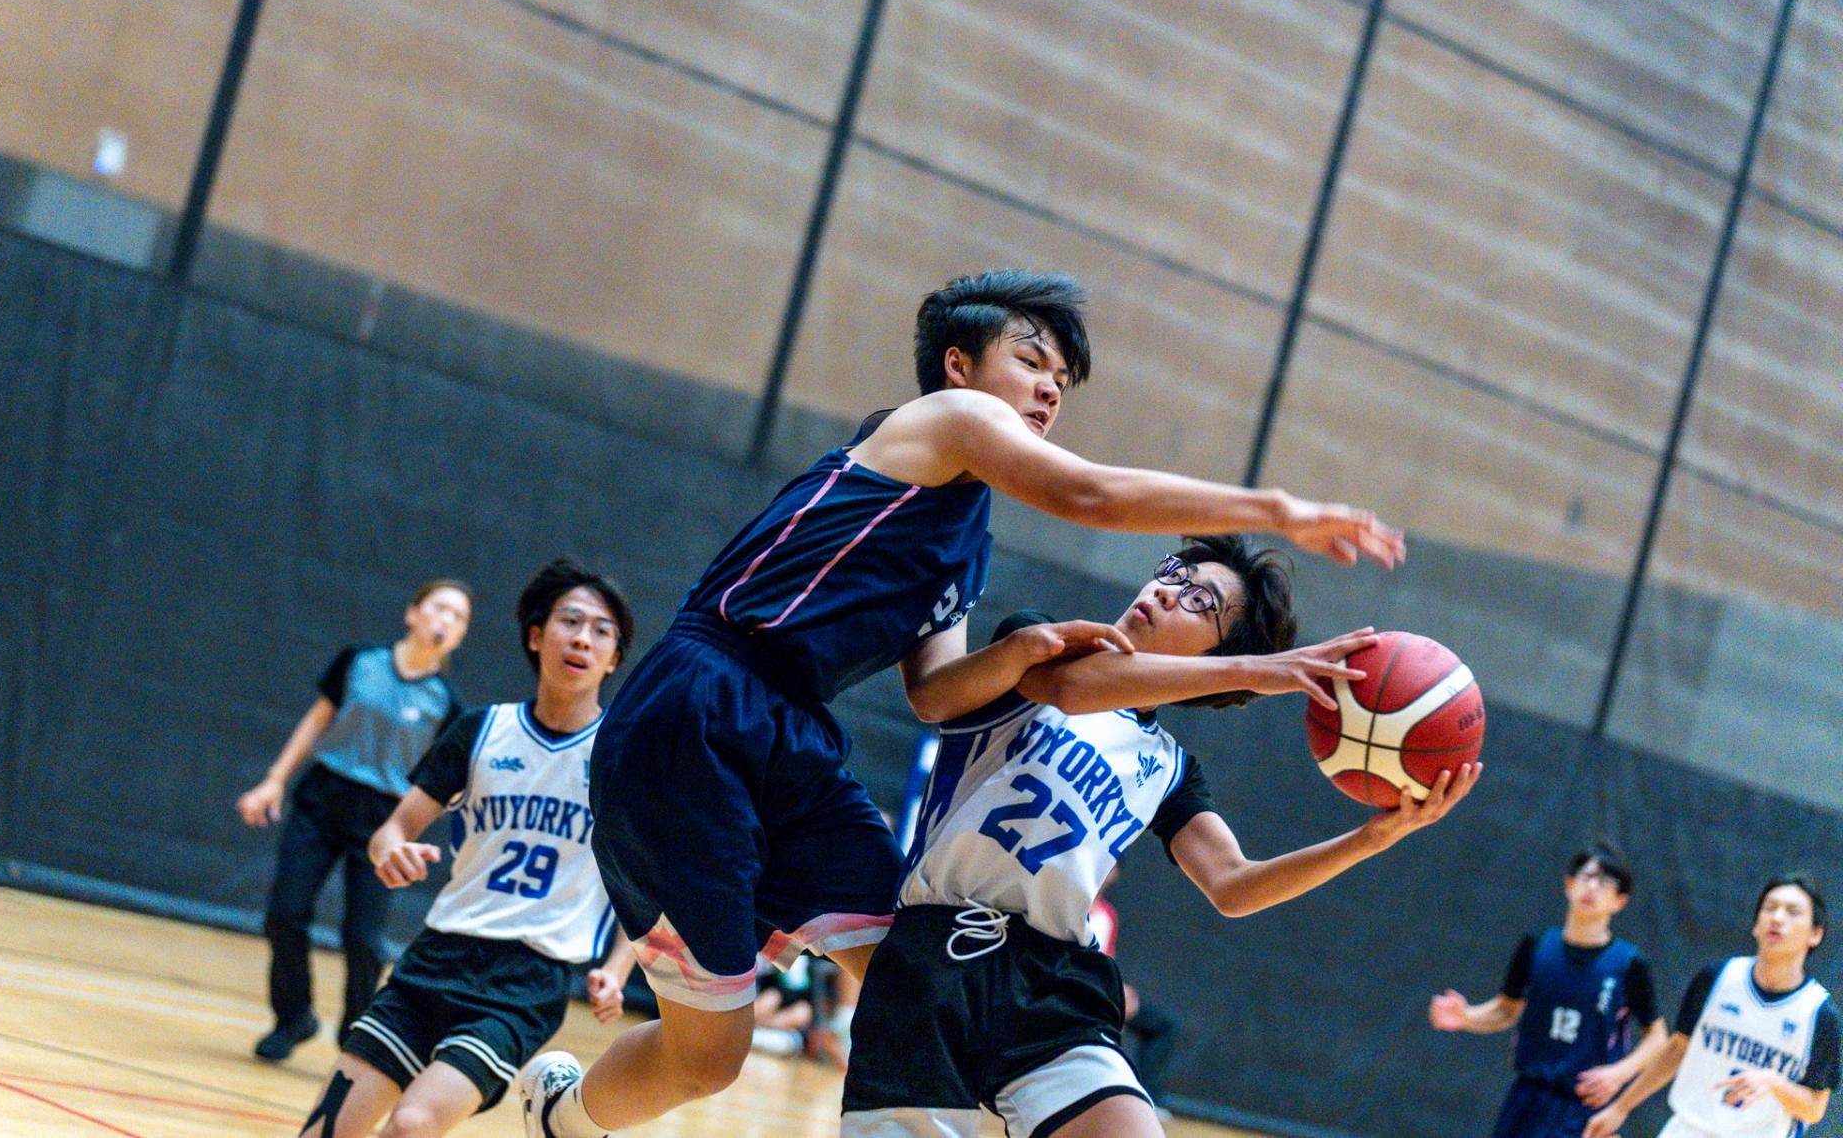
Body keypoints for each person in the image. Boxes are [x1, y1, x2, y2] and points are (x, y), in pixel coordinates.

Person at [520, 270, 1405, 1138]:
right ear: (958, 366)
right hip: (703, 700)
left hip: (795, 734)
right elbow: (1088, 494)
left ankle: (558, 1116)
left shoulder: (964, 545)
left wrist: (1009, 655)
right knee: (714, 1046)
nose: (1050, 388)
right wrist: (1279, 508)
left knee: (893, 970)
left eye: (1062, 380)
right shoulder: (941, 422)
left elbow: (935, 692)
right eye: (1032, 361)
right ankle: (570, 1115)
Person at [838, 536, 1478, 1138]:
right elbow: (1069, 688)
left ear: (1216, 658)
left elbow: (1234, 886)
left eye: (1201, 602)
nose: (1169, 590)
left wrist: (1372, 838)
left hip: (1052, 978)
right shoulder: (1042, 644)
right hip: (932, 957)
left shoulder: (1169, 768)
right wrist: (1254, 670)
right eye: (1174, 574)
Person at [294, 557, 639, 1138]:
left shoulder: (623, 761)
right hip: (435, 959)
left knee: (413, 1123)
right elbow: (393, 830)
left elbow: (658, 882)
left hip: (523, 983)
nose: (582, 637)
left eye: (601, 631)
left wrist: (617, 966)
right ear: (536, 635)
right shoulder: (482, 730)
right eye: (569, 620)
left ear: (613, 658)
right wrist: (390, 851)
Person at [240, 579, 473, 1060]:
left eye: (458, 617)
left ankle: (356, 1037)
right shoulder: (360, 662)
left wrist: (409, 834)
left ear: (460, 636)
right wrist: (274, 780)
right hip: (323, 797)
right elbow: (316, 719)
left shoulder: (446, 703)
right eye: (439, 608)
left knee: (363, 938)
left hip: (383, 818)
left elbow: (438, 783)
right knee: (284, 913)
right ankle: (294, 1017)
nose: (445, 620)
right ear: (412, 613)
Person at [1428, 843, 1667, 1138]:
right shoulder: (1537, 945)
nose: (1592, 887)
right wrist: (1466, 1016)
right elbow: (1506, 1009)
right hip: (1528, 1096)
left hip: (1585, 1103)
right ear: (1569, 884)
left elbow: (1658, 1037)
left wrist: (1620, 1073)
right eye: (1586, 876)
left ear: (1620, 901)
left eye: (1606, 882)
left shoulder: (1629, 963)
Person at [1583, 875, 1837, 1138]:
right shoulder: (1718, 978)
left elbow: (1814, 1108)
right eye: (1770, 908)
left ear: (1815, 934)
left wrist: (1775, 1083)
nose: (1777, 918)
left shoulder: (1819, 1013)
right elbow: (1677, 1050)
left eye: (1793, 912)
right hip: (1688, 1129)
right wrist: (1620, 1108)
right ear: (1756, 925)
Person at [1089, 869, 1179, 1108]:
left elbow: (1107, 962)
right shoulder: (1068, 908)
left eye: (1113, 868)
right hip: (1074, 992)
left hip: (1099, 994)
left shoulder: (1107, 915)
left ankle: (1146, 1099)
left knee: (1163, 1026)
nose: (1109, 874)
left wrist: (1119, 990)